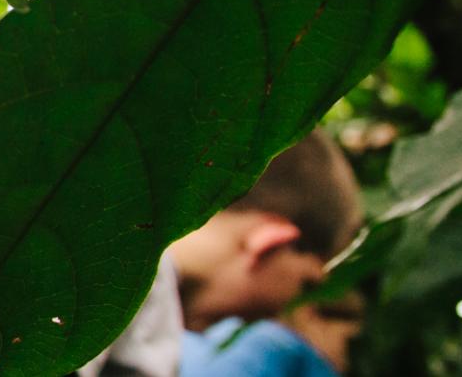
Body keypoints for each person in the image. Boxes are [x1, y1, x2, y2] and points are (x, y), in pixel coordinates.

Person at [79, 131, 363, 377]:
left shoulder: (148, 300)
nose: (280, 313)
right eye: (306, 286)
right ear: (268, 241)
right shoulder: (120, 269)